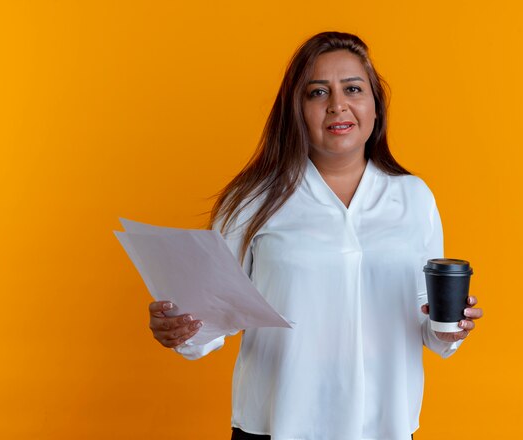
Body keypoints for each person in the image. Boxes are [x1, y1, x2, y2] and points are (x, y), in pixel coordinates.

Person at [147, 31, 483, 440]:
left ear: (375, 107)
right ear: (297, 111)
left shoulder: (413, 197)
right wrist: (178, 328)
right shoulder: (253, 199)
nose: (337, 105)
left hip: (383, 426)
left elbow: (428, 323)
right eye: (318, 92)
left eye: (353, 89)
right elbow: (210, 317)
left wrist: (452, 329)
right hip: (278, 424)